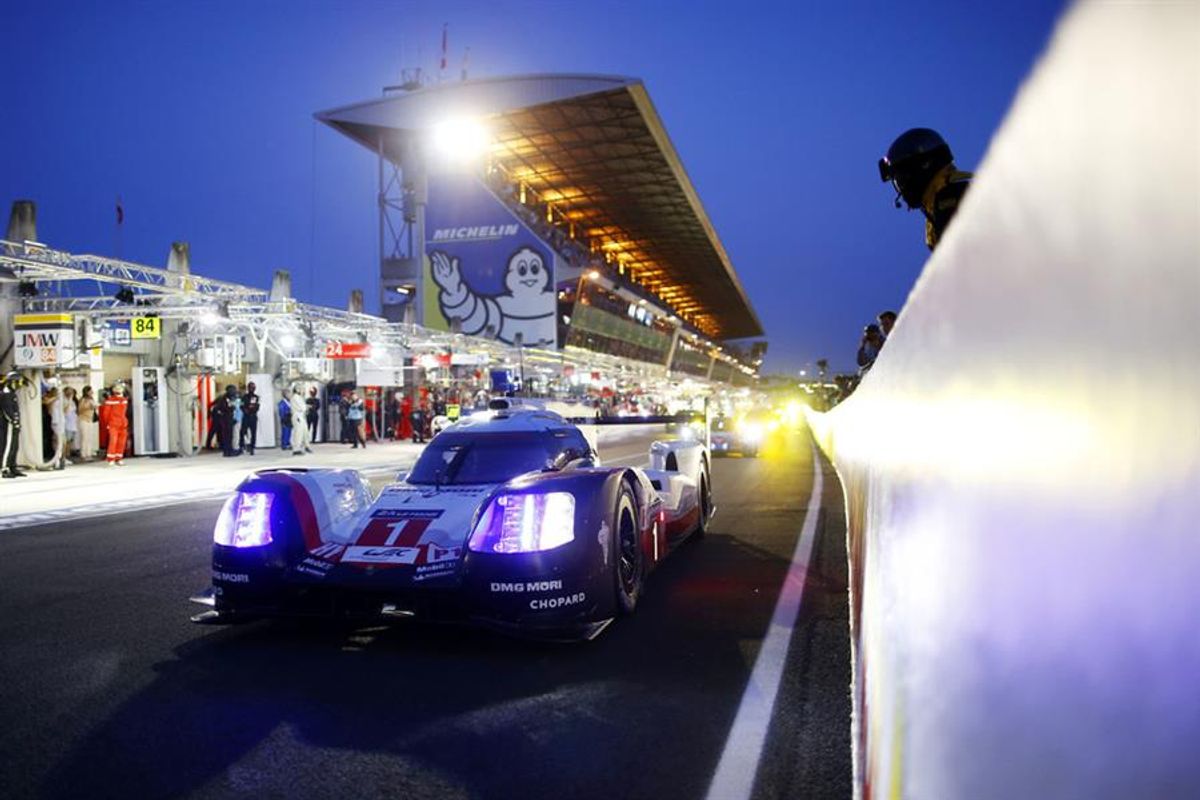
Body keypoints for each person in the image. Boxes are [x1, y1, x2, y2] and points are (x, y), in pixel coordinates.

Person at [878, 128, 973, 250]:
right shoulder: (934, 207)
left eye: (902, 178)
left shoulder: (954, 193)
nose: (901, 189)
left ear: (924, 166)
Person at [1, 371, 27, 478]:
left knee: (14, 446)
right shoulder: (6, 393)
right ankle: (5, 468)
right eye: (17, 382)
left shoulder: (11, 393)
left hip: (14, 424)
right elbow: (7, 410)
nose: (19, 385)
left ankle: (12, 466)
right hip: (9, 424)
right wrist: (14, 421)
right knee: (7, 446)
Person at [103, 381, 130, 466]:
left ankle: (119, 458)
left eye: (120, 388)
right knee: (113, 441)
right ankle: (111, 459)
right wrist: (108, 423)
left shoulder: (125, 400)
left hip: (123, 424)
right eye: (116, 388)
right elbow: (106, 413)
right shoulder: (110, 400)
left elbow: (126, 412)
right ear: (113, 390)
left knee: (122, 442)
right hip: (113, 423)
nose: (118, 389)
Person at [212, 385, 239, 457]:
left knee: (230, 435)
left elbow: (236, 407)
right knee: (226, 435)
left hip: (230, 418)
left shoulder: (231, 398)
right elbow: (221, 408)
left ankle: (229, 450)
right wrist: (230, 409)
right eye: (233, 390)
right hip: (225, 419)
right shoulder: (224, 398)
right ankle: (227, 451)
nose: (234, 391)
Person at [77, 386, 98, 462]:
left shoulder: (92, 399)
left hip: (90, 420)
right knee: (84, 437)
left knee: (89, 437)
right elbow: (79, 410)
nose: (92, 392)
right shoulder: (83, 399)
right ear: (87, 392)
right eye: (90, 391)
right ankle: (83, 454)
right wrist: (89, 406)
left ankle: (89, 454)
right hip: (83, 419)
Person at [289, 386, 312, 456]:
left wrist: (306, 406)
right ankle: (296, 449)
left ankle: (306, 445)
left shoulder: (299, 397)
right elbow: (302, 407)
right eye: (301, 389)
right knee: (298, 432)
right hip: (298, 416)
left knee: (305, 432)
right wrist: (307, 407)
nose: (302, 390)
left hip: (301, 416)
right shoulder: (295, 397)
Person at [240, 381, 260, 455]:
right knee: (242, 432)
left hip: (253, 416)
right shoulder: (244, 397)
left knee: (253, 433)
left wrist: (251, 408)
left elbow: (256, 406)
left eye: (253, 387)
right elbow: (241, 406)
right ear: (248, 388)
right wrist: (246, 410)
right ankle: (242, 446)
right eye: (250, 387)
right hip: (245, 416)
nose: (252, 389)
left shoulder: (256, 397)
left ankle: (252, 447)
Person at [63, 386, 78, 462]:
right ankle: (64, 457)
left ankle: (67, 455)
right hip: (66, 423)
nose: (71, 393)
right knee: (66, 441)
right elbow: (64, 410)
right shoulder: (64, 400)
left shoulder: (73, 401)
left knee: (70, 441)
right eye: (69, 391)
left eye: (71, 392)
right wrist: (69, 401)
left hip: (73, 423)